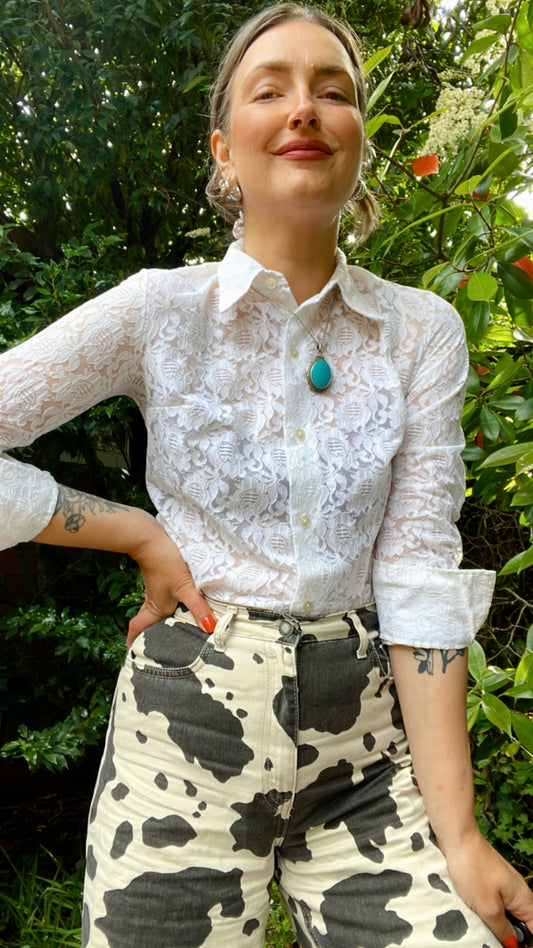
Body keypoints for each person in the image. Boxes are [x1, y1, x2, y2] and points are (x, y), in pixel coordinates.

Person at [0, 4, 531, 946]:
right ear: (223, 151)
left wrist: (460, 836)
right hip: (182, 748)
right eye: (270, 89)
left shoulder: (419, 333)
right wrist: (130, 530)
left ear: (359, 140)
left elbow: (417, 572)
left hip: (369, 761)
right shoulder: (160, 312)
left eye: (333, 91)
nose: (304, 108)